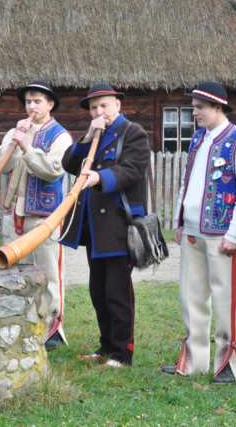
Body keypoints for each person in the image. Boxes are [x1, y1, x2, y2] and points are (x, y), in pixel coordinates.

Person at [162, 82, 236, 384]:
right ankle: (195, 360)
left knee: (226, 298)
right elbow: (187, 181)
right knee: (191, 296)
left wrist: (234, 234)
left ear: (218, 107)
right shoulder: (197, 138)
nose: (195, 113)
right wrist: (179, 220)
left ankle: (228, 362)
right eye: (194, 107)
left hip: (222, 234)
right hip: (193, 229)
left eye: (200, 107)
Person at [61, 82, 150, 368]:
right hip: (94, 227)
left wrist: (101, 178)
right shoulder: (94, 136)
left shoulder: (133, 133)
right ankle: (105, 346)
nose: (99, 111)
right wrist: (88, 136)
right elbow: (69, 164)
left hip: (119, 225)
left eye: (104, 105)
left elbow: (132, 170)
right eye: (94, 107)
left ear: (118, 105)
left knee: (117, 292)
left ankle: (122, 353)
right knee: (98, 291)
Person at [0, 81, 73, 349]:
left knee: (48, 273)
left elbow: (53, 170)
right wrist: (14, 142)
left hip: (44, 216)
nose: (31, 106)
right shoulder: (16, 131)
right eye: (28, 102)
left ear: (50, 105)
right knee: (15, 271)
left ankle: (53, 329)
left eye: (37, 101)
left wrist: (27, 147)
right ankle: (20, 325)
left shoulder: (60, 136)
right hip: (14, 212)